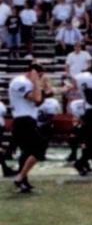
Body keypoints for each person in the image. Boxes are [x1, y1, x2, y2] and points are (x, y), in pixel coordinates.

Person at [8, 62, 48, 193]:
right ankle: (20, 177)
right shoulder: (20, 82)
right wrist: (36, 81)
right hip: (23, 120)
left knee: (27, 152)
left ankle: (23, 181)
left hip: (27, 119)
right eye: (39, 75)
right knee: (39, 148)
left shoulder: (28, 84)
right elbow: (36, 98)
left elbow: (40, 99)